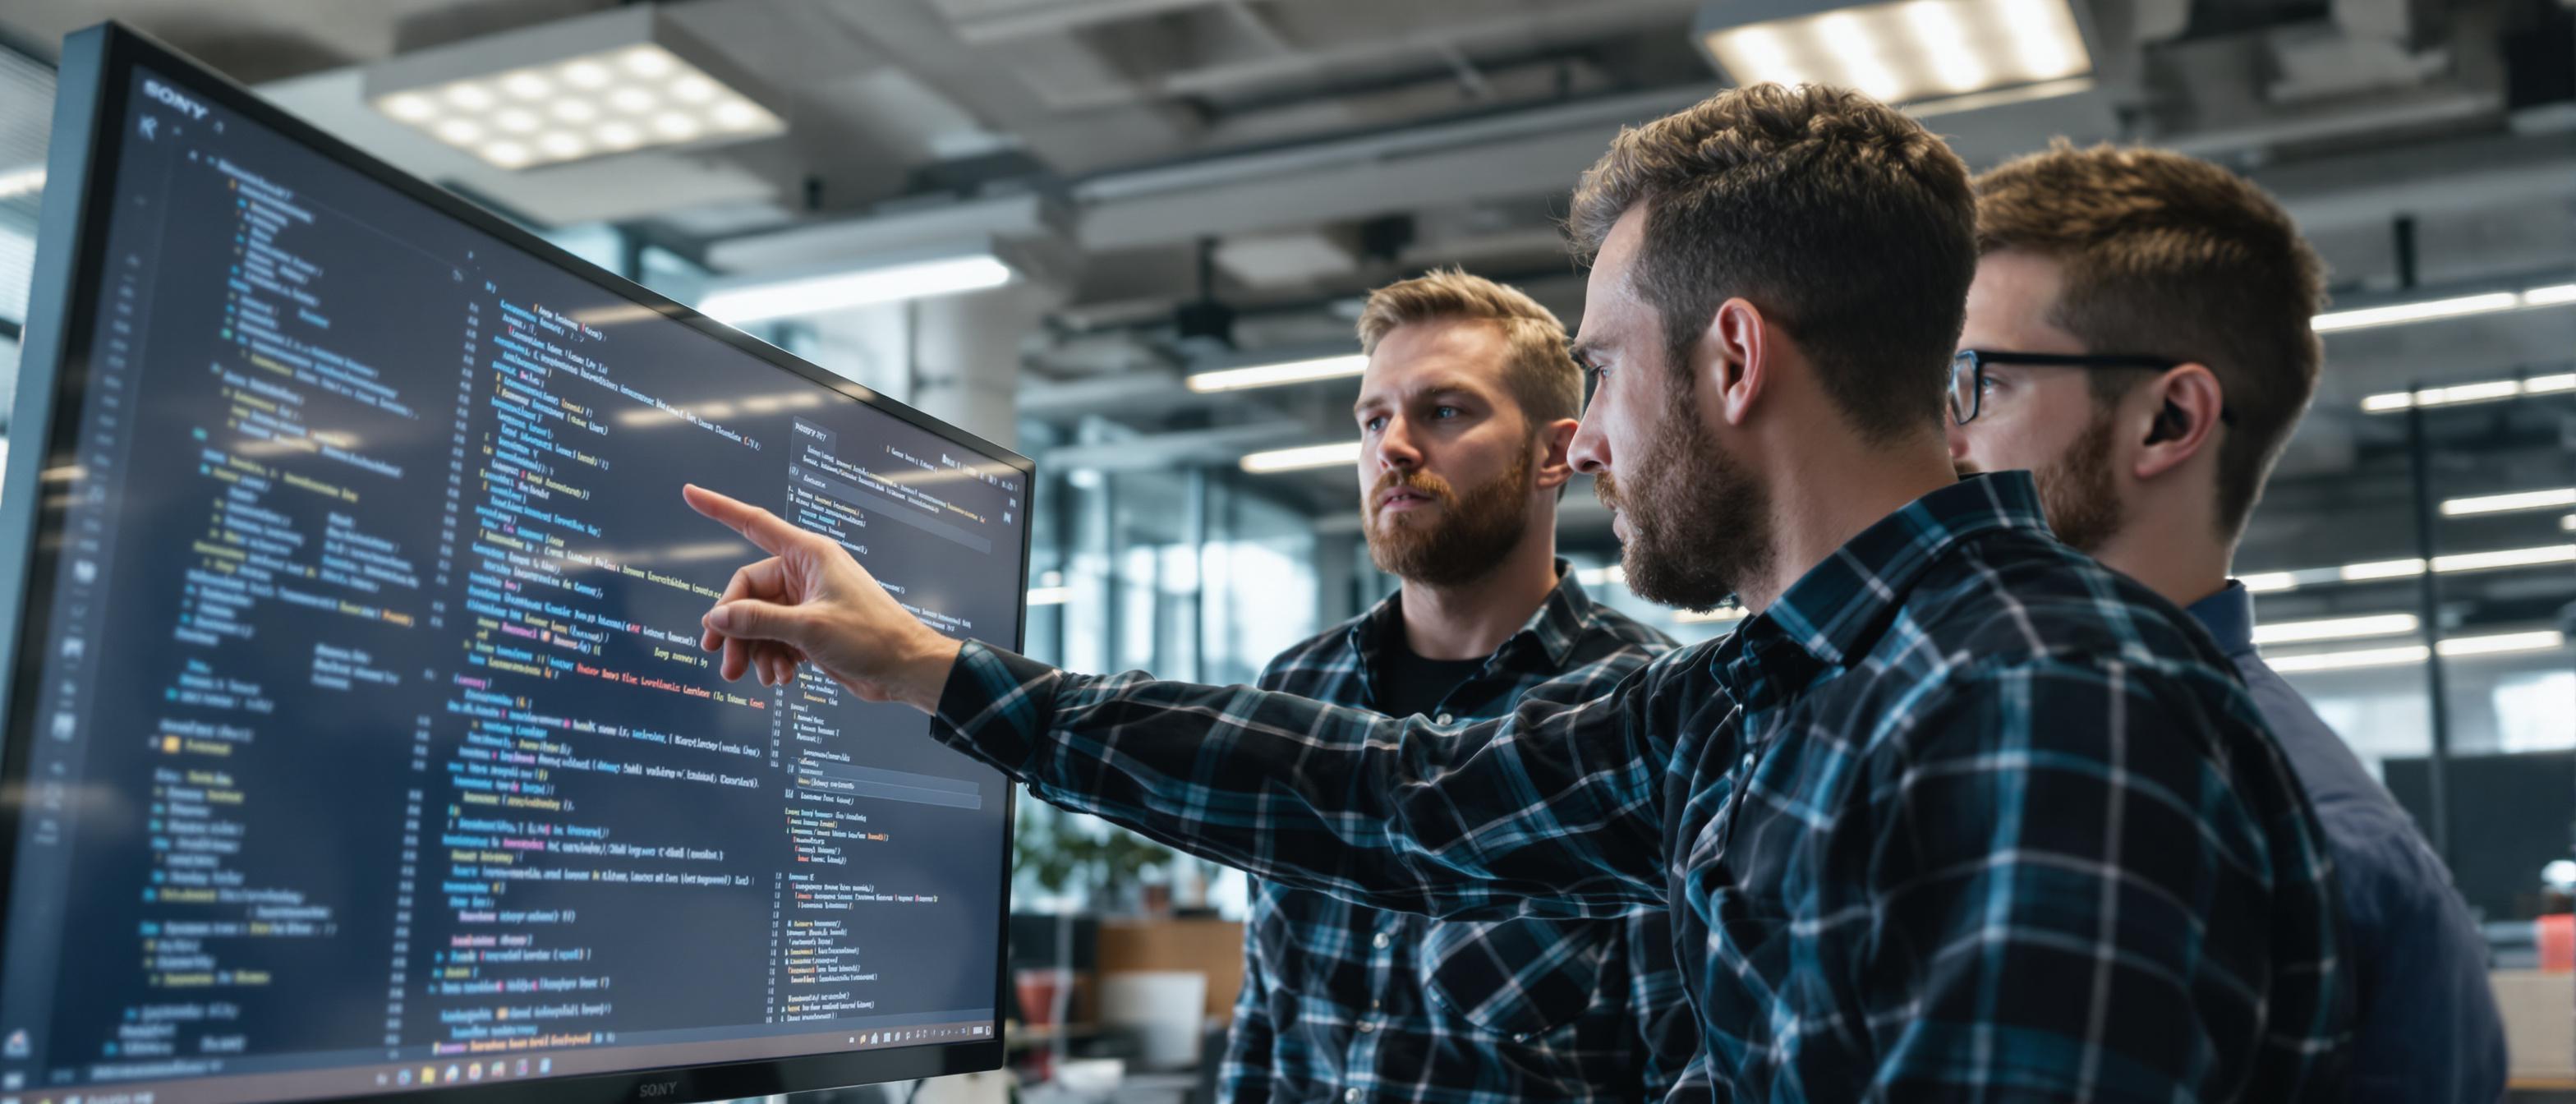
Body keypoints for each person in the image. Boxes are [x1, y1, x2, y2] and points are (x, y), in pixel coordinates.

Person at [680, 84, 2351, 1100]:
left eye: (1607, 375)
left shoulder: (2044, 711)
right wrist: (931, 670)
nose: (1599, 444)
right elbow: (1393, 796)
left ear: (1732, 358)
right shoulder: (1771, 689)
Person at [1947, 141, 2506, 1103]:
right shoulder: (1930, 748)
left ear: (2168, 419)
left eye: (1978, 383)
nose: (1934, 437)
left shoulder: (2318, 850)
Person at [1219, 268, 1695, 1102]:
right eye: (1374, 418)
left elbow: (1681, 1067)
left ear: (1556, 452)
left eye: (1443, 412)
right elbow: (1266, 1014)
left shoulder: (1641, 707)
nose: (1392, 446)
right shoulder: (1296, 689)